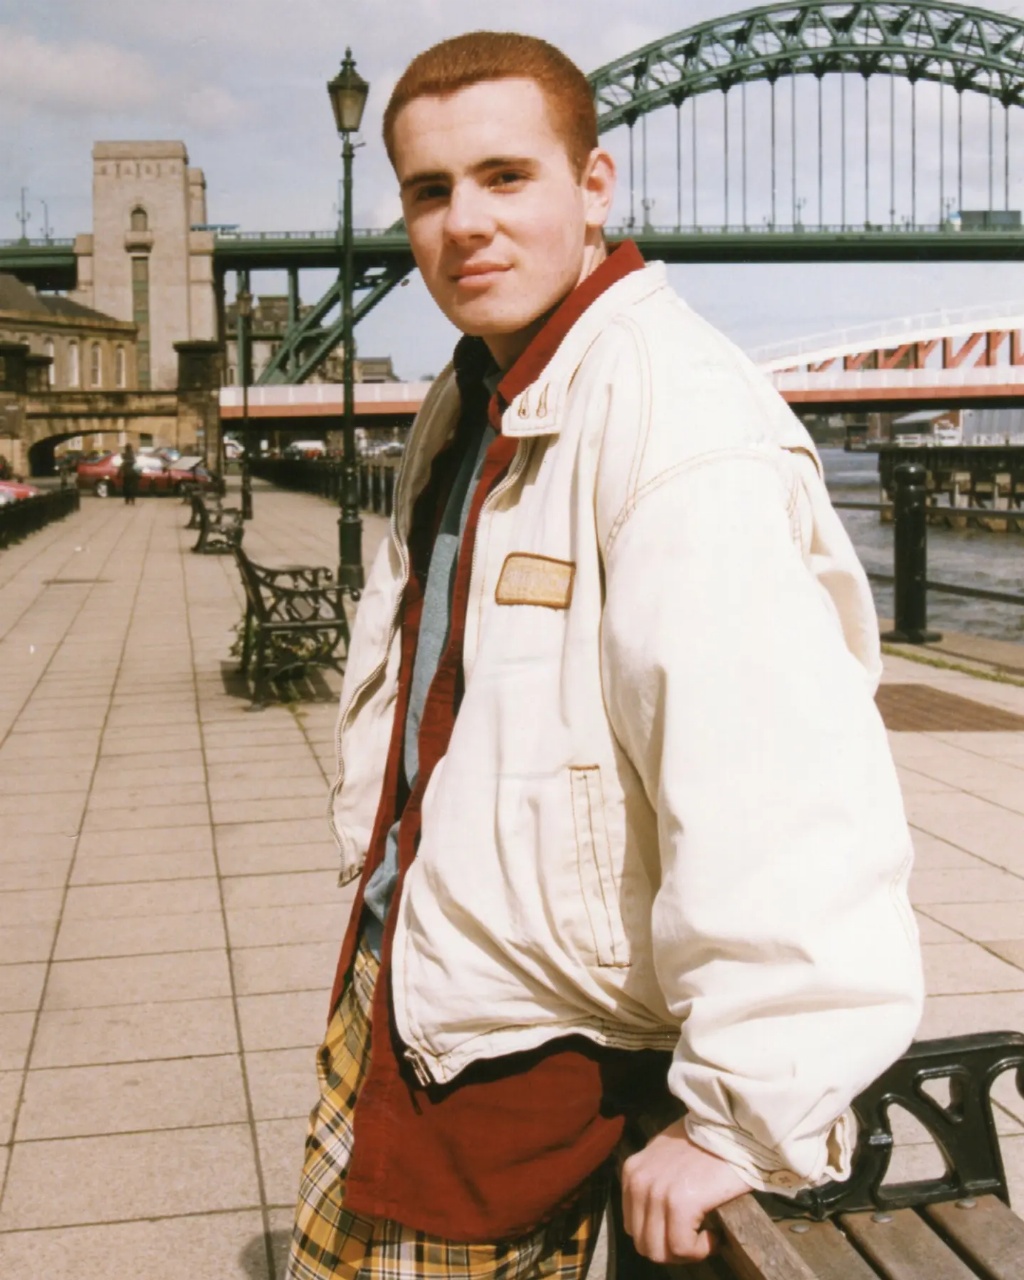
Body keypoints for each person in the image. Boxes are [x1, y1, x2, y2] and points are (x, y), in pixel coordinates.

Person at [287, 31, 923, 1278]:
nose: (464, 222)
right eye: (430, 190)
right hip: (425, 991)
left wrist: (747, 1111)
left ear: (594, 186)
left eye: (504, 176)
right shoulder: (479, 391)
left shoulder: (675, 423)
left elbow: (781, 790)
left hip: (531, 1057)